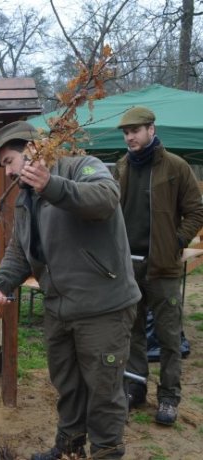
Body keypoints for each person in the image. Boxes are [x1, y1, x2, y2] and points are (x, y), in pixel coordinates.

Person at [0, 121, 140, 459]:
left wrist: (52, 185)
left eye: (9, 160)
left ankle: (107, 451)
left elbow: (105, 198)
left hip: (103, 307)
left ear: (31, 149)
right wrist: (3, 279)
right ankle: (69, 448)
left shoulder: (79, 167)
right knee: (67, 384)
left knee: (103, 389)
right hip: (59, 307)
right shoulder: (25, 198)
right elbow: (22, 249)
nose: (7, 172)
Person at [114, 106, 203, 425]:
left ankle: (168, 398)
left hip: (163, 268)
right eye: (126, 132)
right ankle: (135, 390)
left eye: (135, 130)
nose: (129, 137)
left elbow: (196, 211)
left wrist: (175, 242)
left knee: (167, 337)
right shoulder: (121, 167)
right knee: (133, 332)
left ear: (151, 130)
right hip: (129, 267)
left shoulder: (176, 167)